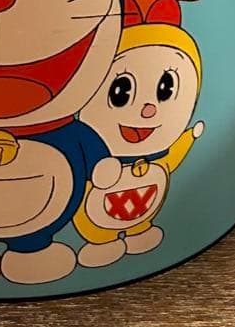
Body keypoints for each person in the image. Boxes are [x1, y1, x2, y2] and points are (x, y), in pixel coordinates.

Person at [74, 23, 204, 265]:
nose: (148, 110)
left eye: (166, 90)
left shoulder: (159, 155)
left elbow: (174, 156)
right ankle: (101, 241)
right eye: (121, 93)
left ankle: (138, 231)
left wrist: (189, 136)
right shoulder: (88, 151)